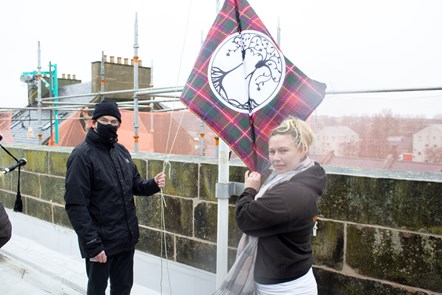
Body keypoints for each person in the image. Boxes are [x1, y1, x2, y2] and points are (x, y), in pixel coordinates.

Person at [215, 116, 326, 295]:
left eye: (283, 151)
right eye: (272, 151)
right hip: (290, 276)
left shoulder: (292, 193)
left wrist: (250, 190)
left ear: (302, 149)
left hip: (284, 287)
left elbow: (246, 219)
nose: (275, 158)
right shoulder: (301, 176)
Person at [64, 99, 166, 295]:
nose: (109, 125)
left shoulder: (121, 152)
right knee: (97, 291)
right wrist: (93, 246)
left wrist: (152, 184)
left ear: (119, 124)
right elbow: (76, 206)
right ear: (93, 123)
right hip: (100, 244)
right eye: (104, 120)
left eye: (114, 122)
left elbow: (134, 184)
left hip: (125, 241)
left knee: (123, 289)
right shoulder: (81, 156)